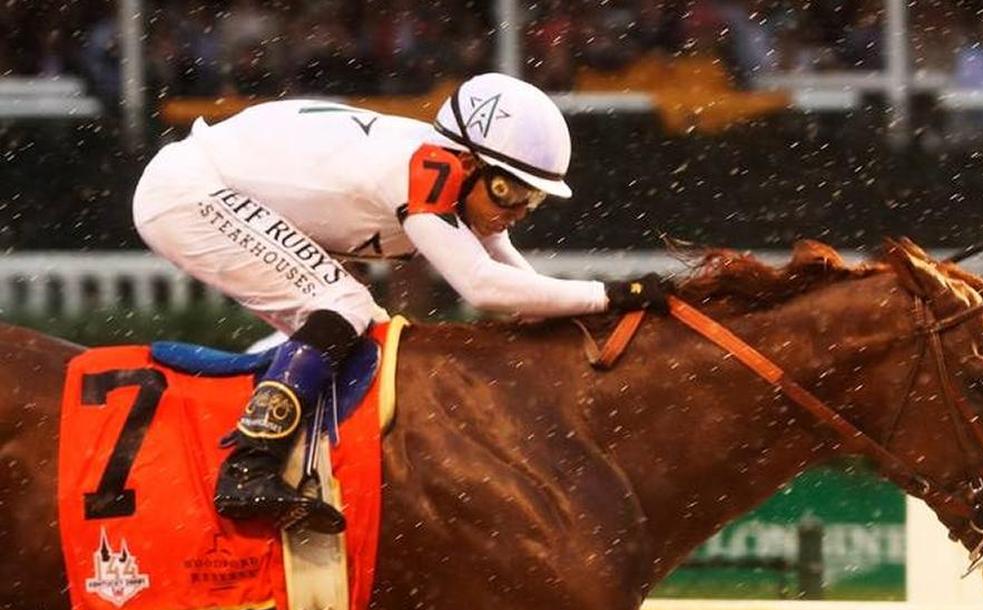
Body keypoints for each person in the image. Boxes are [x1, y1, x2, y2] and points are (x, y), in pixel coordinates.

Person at [132, 73, 670, 535]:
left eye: (532, 199)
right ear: (466, 162)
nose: (520, 210)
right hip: (188, 192)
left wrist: (587, 312)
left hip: (205, 185)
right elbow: (481, 287)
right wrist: (609, 295)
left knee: (360, 328)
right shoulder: (426, 170)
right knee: (344, 303)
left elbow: (510, 278)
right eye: (510, 190)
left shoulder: (448, 168)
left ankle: (288, 455)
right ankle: (248, 466)